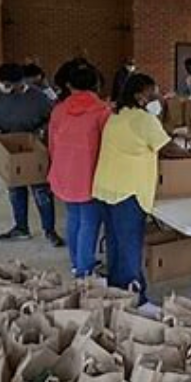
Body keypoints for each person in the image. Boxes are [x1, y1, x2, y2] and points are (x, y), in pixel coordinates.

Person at [93, 73, 180, 313]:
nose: (157, 97)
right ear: (139, 96)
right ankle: (136, 298)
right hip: (128, 191)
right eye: (152, 93)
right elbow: (168, 148)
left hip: (107, 186)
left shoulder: (117, 115)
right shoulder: (143, 120)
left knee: (116, 243)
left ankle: (117, 291)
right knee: (130, 245)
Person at [48, 64, 111, 278]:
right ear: (96, 84)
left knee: (74, 217)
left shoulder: (59, 110)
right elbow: (109, 146)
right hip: (89, 174)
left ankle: (77, 263)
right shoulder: (102, 111)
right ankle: (85, 268)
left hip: (63, 172)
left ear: (69, 85)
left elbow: (51, 144)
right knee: (90, 222)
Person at [0, 63, 64, 246]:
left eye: (11, 85)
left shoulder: (39, 97)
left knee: (41, 191)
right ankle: (21, 228)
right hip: (8, 148)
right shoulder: (0, 94)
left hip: (34, 148)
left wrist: (42, 131)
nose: (8, 88)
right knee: (15, 189)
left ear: (21, 82)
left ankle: (50, 231)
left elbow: (54, 117)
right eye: (4, 84)